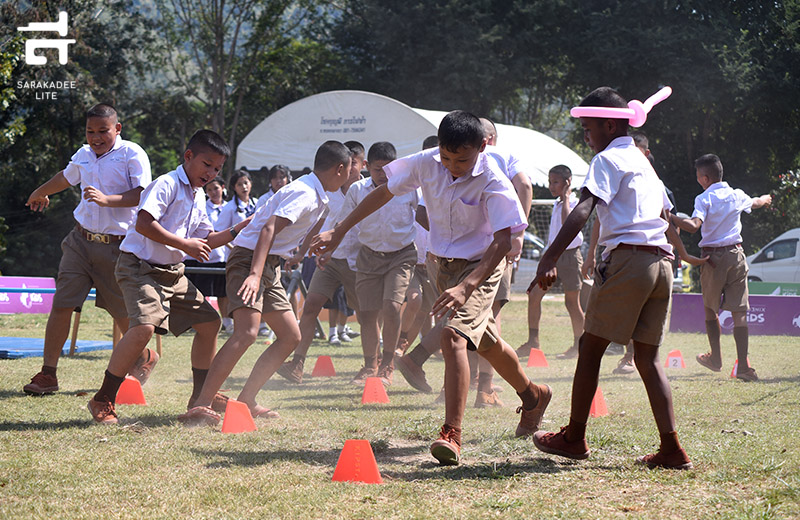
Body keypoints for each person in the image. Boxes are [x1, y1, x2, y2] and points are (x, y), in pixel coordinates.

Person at [312, 111, 551, 466]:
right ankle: (533, 396)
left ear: (483, 147)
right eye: (447, 157)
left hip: (481, 266)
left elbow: (503, 241)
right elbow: (383, 193)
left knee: (453, 337)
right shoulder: (426, 163)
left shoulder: (494, 181)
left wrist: (468, 286)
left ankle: (451, 433)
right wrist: (340, 230)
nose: (454, 166)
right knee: (485, 342)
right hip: (441, 264)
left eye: (463, 159)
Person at [529, 87, 706, 470]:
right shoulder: (645, 164)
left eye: (588, 127)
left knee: (590, 348)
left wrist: (549, 256)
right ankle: (672, 449)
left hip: (630, 261)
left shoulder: (607, 159)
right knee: (648, 357)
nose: (586, 135)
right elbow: (665, 215)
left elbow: (585, 208)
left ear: (610, 124)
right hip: (662, 264)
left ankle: (574, 438)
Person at [178, 141, 350, 426]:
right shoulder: (305, 193)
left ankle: (247, 399)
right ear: (340, 169)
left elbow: (302, 229)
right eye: (351, 169)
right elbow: (269, 228)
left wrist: (298, 254)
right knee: (245, 332)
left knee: (290, 336)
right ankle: (201, 403)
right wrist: (255, 274)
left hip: (270, 264)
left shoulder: (319, 195)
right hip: (249, 260)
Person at [86, 129, 248, 424]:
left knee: (209, 324)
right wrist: (184, 244)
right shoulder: (167, 184)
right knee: (143, 329)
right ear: (188, 157)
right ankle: (103, 399)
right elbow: (144, 224)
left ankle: (201, 399)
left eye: (217, 169)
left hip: (173, 273)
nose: (211, 173)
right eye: (206, 164)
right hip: (140, 268)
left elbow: (207, 238)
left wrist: (242, 228)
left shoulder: (198, 195)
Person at [23, 103, 154, 396]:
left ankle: (143, 358)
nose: (96, 137)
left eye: (102, 131)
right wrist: (41, 191)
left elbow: (141, 193)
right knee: (62, 304)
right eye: (90, 131)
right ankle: (48, 375)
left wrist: (108, 200)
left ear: (117, 129)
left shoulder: (132, 154)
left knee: (122, 314)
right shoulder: (83, 155)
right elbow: (66, 176)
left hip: (118, 248)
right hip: (80, 242)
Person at [670, 154, 771, 382]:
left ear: (705, 178)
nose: (698, 181)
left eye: (698, 177)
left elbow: (694, 226)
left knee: (710, 309)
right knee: (739, 312)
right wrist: (765, 198)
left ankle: (715, 358)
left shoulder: (703, 199)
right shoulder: (736, 195)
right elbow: (755, 202)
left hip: (712, 259)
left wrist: (671, 217)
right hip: (736, 255)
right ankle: (744, 367)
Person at [275, 141, 366, 384]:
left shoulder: (367, 192)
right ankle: (297, 363)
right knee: (312, 305)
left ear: (361, 165)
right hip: (328, 260)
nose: (350, 168)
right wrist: (301, 253)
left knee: (366, 314)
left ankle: (371, 366)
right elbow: (316, 225)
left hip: (357, 261)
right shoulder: (329, 192)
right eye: (347, 164)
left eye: (354, 163)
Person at [339, 142, 419, 387]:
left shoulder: (408, 188)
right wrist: (340, 252)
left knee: (392, 307)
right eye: (377, 169)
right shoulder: (357, 191)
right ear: (366, 167)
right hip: (368, 256)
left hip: (401, 255)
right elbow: (346, 225)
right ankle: (369, 365)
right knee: (367, 314)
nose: (383, 175)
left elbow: (425, 220)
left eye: (388, 169)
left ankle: (387, 365)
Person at [518, 165, 585, 358]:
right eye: (550, 182)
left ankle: (579, 345)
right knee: (534, 295)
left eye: (555, 182)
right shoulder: (556, 203)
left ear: (568, 182)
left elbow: (568, 224)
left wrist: (565, 198)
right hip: (554, 258)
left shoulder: (574, 202)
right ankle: (533, 342)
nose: (551, 186)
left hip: (571, 257)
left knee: (572, 303)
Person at [184, 178, 232, 333]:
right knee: (200, 292)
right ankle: (197, 321)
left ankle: (227, 322)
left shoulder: (230, 207)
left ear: (223, 188)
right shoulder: (203, 206)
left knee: (223, 293)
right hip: (204, 256)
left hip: (222, 256)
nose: (213, 192)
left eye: (216, 188)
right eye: (209, 190)